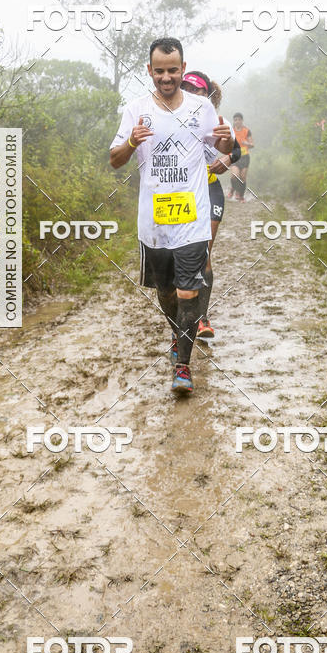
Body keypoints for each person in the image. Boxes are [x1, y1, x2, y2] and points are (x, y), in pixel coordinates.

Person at [109, 38, 234, 394]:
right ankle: (179, 337)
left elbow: (220, 152)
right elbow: (115, 160)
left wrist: (225, 141)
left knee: (188, 294)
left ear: (182, 69)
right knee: (165, 293)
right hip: (154, 224)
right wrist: (132, 142)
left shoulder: (201, 108)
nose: (166, 77)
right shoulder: (135, 110)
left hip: (193, 220)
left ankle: (183, 366)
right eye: (159, 71)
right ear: (150, 71)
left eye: (173, 70)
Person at [180, 71, 240, 341]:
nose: (192, 96)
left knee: (203, 252)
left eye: (198, 92)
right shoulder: (170, 117)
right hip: (180, 193)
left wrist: (227, 160)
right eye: (187, 90)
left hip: (210, 189)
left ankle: (202, 319)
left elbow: (236, 150)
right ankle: (182, 313)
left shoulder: (218, 121)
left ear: (208, 96)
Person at [229, 112, 254, 202]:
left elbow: (252, 144)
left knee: (243, 177)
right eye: (235, 120)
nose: (237, 121)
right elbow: (227, 143)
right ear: (234, 121)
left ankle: (241, 196)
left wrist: (247, 143)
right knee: (234, 175)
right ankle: (233, 188)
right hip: (235, 156)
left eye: (239, 119)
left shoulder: (247, 131)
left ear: (242, 121)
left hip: (245, 157)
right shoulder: (231, 131)